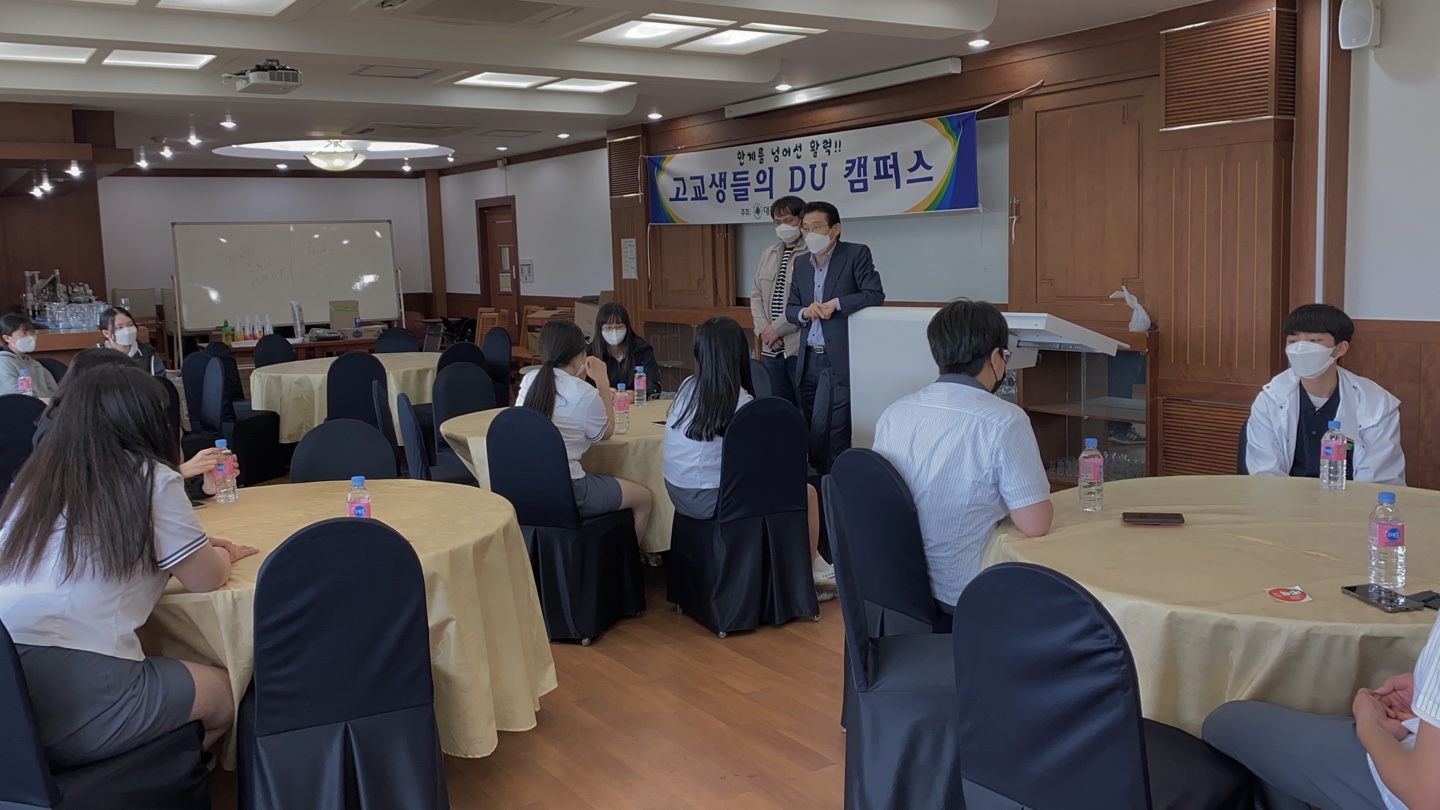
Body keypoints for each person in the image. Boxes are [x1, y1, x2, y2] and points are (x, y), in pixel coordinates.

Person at [0, 364, 258, 770]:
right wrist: (226, 553)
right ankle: (150, 785)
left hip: (8, 685)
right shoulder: (152, 477)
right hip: (81, 681)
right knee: (227, 693)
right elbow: (205, 578)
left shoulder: (36, 481)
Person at [872, 300, 1052, 610]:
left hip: (897, 585)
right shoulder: (1005, 420)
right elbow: (1036, 524)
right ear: (995, 358)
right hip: (962, 590)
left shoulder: (895, 411)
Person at [663, 317, 836, 600]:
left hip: (678, 494)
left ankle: (814, 567)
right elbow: (760, 463)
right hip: (712, 499)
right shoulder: (739, 401)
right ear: (739, 355)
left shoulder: (687, 387)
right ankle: (809, 574)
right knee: (806, 493)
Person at [1203, 609, 1440, 810]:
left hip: (1406, 783)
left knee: (1226, 725)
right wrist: (1427, 690)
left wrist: (1371, 727)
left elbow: (1425, 797)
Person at [33, 348, 236, 501]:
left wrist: (203, 487)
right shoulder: (57, 432)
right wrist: (178, 472)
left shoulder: (116, 420)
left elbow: (142, 472)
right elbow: (96, 496)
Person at [520, 319, 652, 539]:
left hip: (525, 485)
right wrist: (602, 381)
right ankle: (630, 558)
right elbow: (607, 432)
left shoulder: (529, 380)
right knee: (643, 498)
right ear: (580, 356)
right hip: (569, 489)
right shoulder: (583, 393)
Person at [1246, 303, 1405, 485]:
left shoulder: (1375, 403)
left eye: (1313, 341)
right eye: (1293, 341)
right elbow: (1265, 472)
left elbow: (1379, 477)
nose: (1301, 349)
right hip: (1286, 497)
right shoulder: (1270, 399)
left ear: (1340, 348)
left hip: (1351, 497)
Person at [785, 200, 885, 464]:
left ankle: (835, 483)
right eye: (806, 228)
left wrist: (836, 304)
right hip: (807, 358)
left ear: (835, 229)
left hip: (838, 358)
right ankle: (815, 482)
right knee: (811, 427)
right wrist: (804, 312)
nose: (810, 234)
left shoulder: (855, 254)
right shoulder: (801, 263)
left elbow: (874, 294)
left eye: (816, 227)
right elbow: (791, 309)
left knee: (835, 430)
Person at [750, 195, 807, 405]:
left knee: (804, 407)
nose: (782, 226)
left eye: (788, 220)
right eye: (777, 222)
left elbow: (807, 302)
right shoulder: (769, 253)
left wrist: (777, 329)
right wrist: (765, 332)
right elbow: (756, 295)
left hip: (798, 347)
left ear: (801, 220)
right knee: (779, 406)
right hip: (771, 348)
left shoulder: (811, 253)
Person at [589, 302, 661, 398]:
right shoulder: (590, 354)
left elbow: (654, 386)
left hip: (636, 404)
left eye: (619, 327)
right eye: (608, 328)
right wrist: (600, 392)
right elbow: (582, 387)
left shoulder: (642, 350)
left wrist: (635, 395)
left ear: (627, 327)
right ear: (600, 329)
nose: (614, 332)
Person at [0, 313, 59, 398]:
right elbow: (13, 396)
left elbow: (55, 392)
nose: (30, 336)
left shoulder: (35, 364)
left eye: (31, 332)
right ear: (7, 338)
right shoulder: (3, 364)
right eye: (24, 333)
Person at [97, 306, 165, 377]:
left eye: (130, 325)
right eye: (120, 327)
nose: (127, 331)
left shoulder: (148, 354)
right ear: (106, 333)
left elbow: (160, 381)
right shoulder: (96, 357)